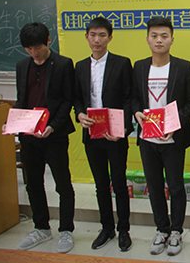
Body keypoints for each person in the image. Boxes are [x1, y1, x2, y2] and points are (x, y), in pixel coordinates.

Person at [132, 17, 190, 257]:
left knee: (176, 186)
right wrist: (137, 112)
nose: (159, 40)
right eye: (154, 36)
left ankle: (176, 231)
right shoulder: (140, 67)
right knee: (154, 186)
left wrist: (175, 124)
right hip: (148, 139)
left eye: (164, 36)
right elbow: (133, 97)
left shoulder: (184, 67)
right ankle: (161, 229)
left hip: (173, 139)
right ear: (147, 39)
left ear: (172, 39)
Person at [14, 22, 76, 253]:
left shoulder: (63, 64)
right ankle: (41, 227)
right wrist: (13, 121)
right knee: (33, 183)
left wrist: (52, 125)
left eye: (38, 47)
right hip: (29, 135)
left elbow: (67, 100)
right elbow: (22, 98)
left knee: (62, 183)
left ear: (49, 41)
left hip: (54, 134)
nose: (34, 52)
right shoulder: (22, 65)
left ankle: (66, 229)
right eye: (29, 48)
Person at [74, 17, 133, 251]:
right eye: (92, 35)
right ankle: (107, 228)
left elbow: (129, 98)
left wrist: (123, 129)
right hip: (92, 134)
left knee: (119, 183)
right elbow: (77, 98)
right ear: (86, 37)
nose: (96, 40)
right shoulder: (80, 66)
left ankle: (124, 229)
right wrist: (80, 114)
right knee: (100, 184)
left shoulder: (122, 63)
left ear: (110, 37)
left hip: (115, 136)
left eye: (101, 35)